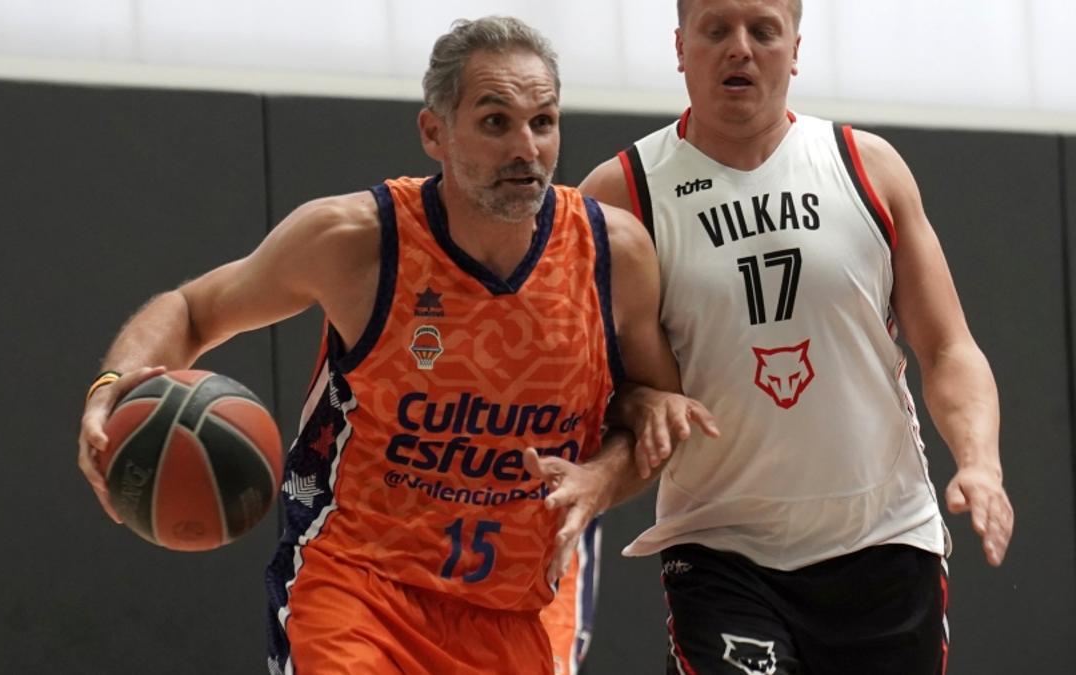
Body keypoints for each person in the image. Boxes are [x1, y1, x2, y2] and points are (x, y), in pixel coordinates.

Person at [77, 16, 712, 675]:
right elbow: (191, 309)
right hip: (357, 586)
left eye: (543, 121)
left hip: (516, 607)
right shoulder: (357, 240)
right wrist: (112, 389)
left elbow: (657, 411)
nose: (526, 147)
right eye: (495, 122)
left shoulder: (614, 255)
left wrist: (604, 475)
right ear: (434, 132)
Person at [531, 0, 1016, 673]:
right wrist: (628, 423)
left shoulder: (866, 167)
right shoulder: (620, 195)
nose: (741, 48)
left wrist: (980, 463)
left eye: (762, 31)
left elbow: (948, 348)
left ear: (795, 48)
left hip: (884, 539)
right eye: (716, 30)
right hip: (721, 550)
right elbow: (576, 379)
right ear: (680, 47)